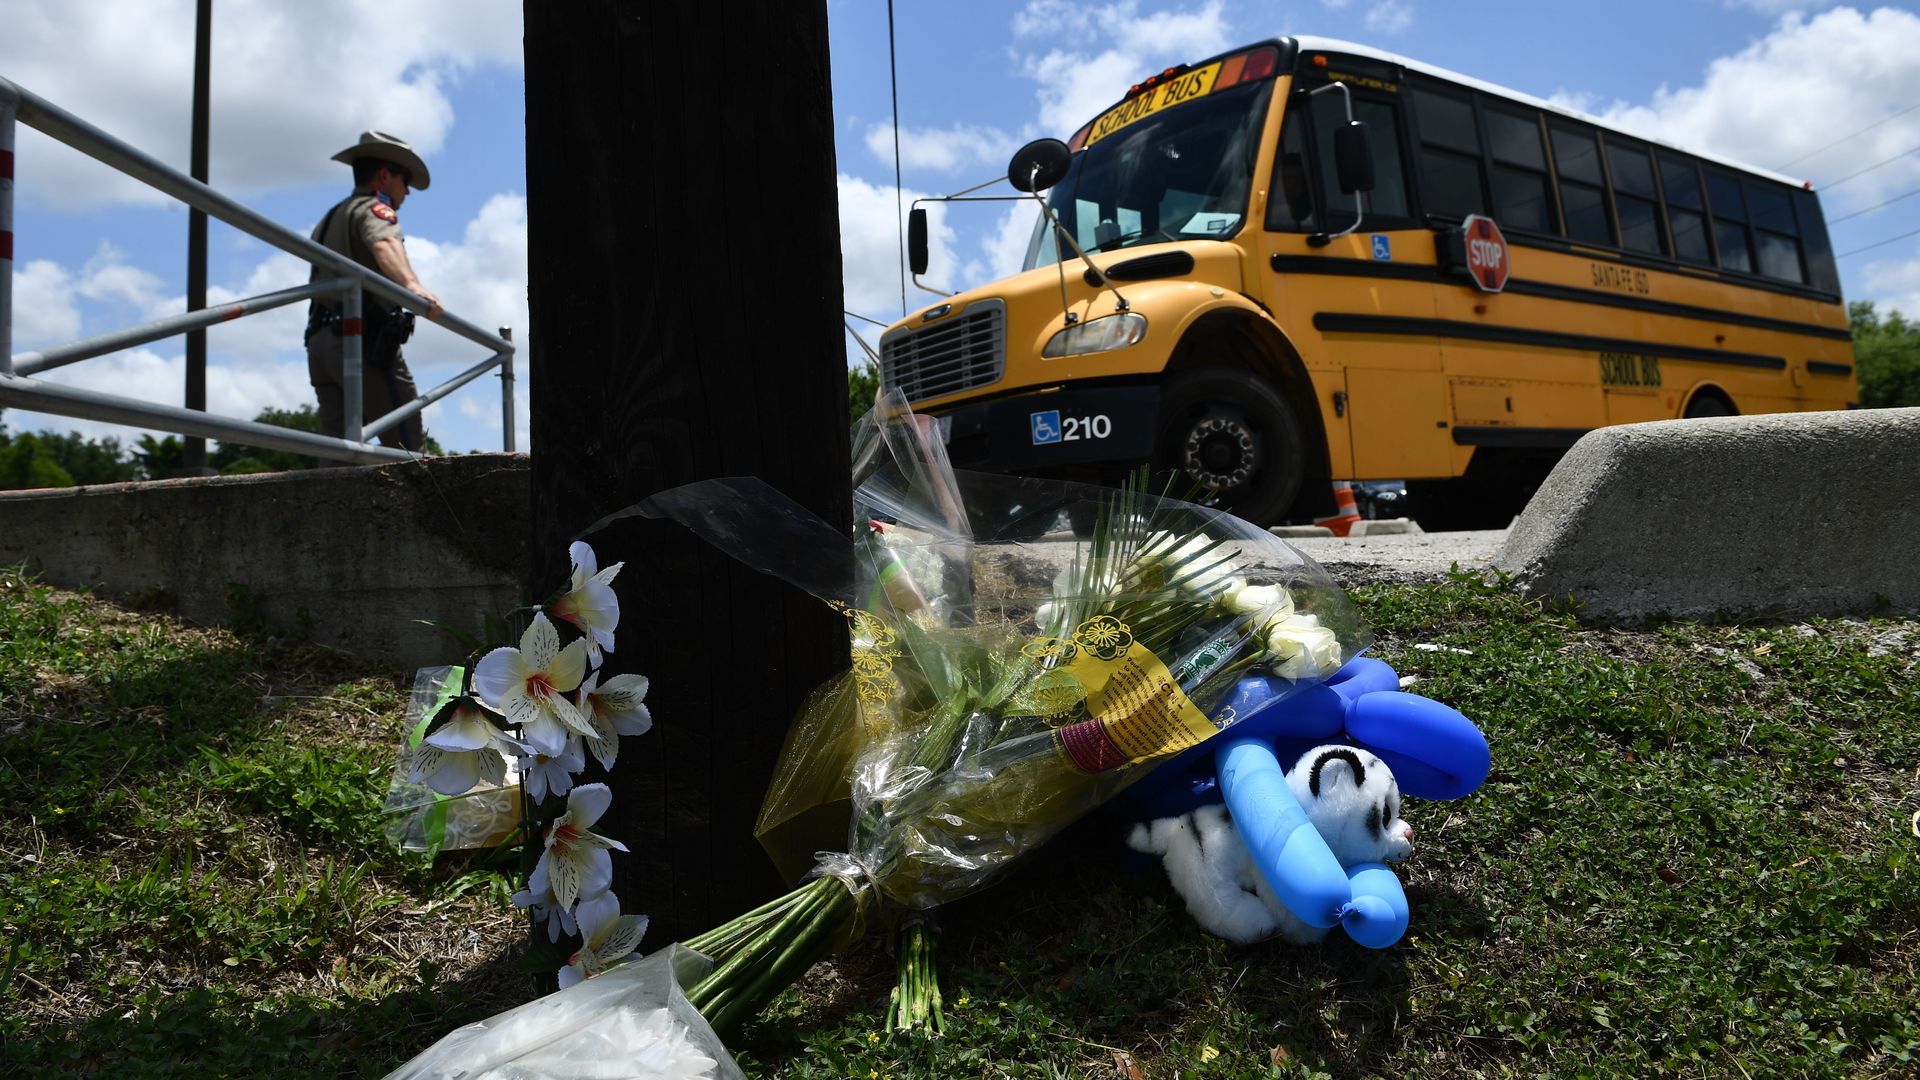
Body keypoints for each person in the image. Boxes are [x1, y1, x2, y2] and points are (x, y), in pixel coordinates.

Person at [305, 130, 444, 454]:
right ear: (384, 176)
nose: (407, 191)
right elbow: (383, 243)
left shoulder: (330, 217)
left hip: (320, 343)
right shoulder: (374, 209)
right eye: (404, 179)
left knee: (338, 453)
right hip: (361, 343)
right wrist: (412, 287)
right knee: (407, 447)